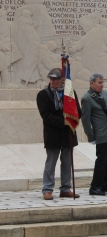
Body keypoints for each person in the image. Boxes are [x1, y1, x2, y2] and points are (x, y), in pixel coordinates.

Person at [36, 68, 82, 200]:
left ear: (62, 80)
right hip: (53, 133)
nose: (52, 81)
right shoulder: (43, 95)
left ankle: (65, 188)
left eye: (55, 79)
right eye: (51, 79)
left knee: (67, 162)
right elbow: (46, 115)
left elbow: (78, 111)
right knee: (51, 163)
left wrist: (72, 119)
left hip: (68, 133)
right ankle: (47, 189)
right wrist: (63, 121)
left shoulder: (70, 93)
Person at [81, 73, 107, 196]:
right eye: (99, 83)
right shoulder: (87, 98)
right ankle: (95, 187)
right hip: (101, 134)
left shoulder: (105, 94)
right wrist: (90, 136)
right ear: (92, 83)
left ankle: (105, 184)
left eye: (103, 83)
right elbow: (85, 120)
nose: (102, 85)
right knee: (102, 160)